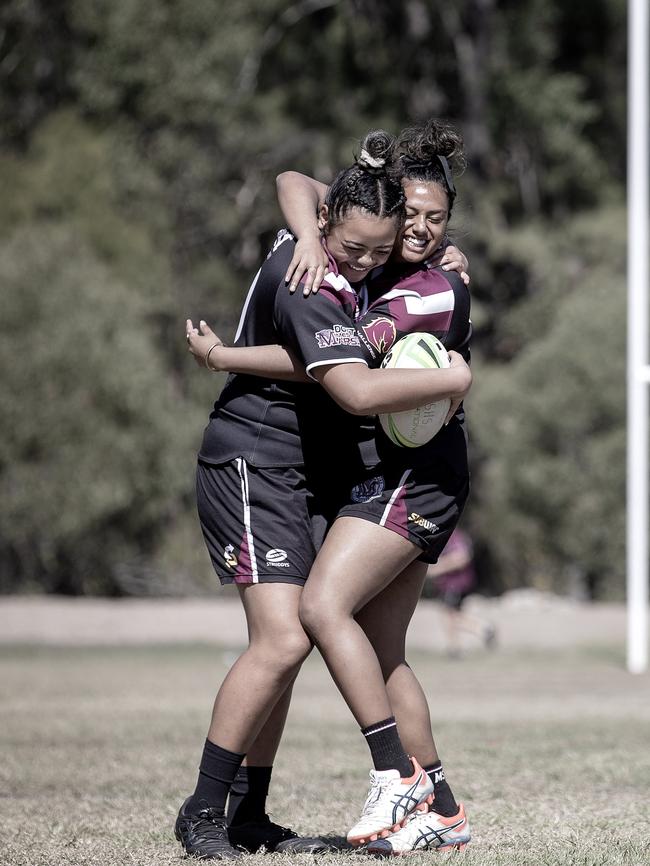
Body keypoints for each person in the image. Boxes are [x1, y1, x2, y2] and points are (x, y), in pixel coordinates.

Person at [175, 130, 472, 860]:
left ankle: (251, 816)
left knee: (321, 637)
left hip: (318, 469)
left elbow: (302, 188)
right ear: (344, 219)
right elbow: (347, 382)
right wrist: (455, 378)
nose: (376, 254)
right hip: (257, 456)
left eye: (425, 226)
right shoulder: (316, 276)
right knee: (287, 637)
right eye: (403, 223)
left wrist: (417, 260)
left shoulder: (372, 268)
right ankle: (207, 811)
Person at [424, 526, 497, 658]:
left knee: (450, 615)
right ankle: (455, 647)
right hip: (450, 583)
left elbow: (462, 558)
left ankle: (483, 629)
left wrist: (438, 568)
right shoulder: (445, 535)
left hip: (456, 583)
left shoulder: (454, 536)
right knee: (449, 615)